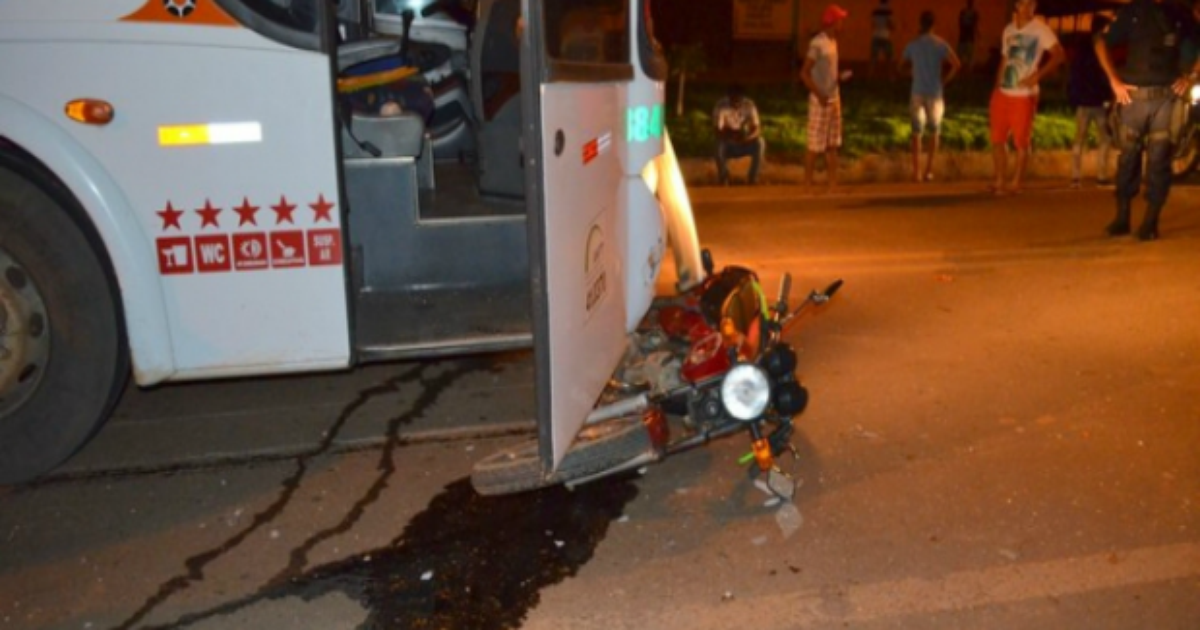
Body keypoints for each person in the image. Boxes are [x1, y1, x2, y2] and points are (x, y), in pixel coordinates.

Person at [1096, 0, 1200, 241]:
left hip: (1166, 98)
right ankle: (1122, 218)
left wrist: (1191, 75)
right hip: (1133, 99)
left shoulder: (1180, 13)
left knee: (1159, 161)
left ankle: (1150, 223)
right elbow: (1100, 41)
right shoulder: (1133, 11)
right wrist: (1114, 80)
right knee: (1128, 159)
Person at [988, 0, 1065, 196]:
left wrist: (1036, 76)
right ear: (1016, 6)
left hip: (1024, 95)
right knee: (997, 139)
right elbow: (1005, 59)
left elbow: (1059, 55)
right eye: (1023, 4)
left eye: (1031, 4)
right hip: (1003, 92)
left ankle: (1016, 182)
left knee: (1021, 142)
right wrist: (997, 86)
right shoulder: (1009, 30)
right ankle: (999, 180)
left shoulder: (1041, 30)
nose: (1027, 8)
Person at [900, 10, 962, 182]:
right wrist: (945, 80)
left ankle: (916, 172)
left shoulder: (913, 44)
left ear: (920, 24)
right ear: (934, 25)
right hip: (935, 92)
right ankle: (929, 170)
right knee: (934, 131)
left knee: (916, 133)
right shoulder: (940, 44)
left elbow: (901, 65)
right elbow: (957, 64)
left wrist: (912, 73)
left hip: (917, 91)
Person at [802, 4, 849, 191]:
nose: (843, 24)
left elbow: (828, 72)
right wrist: (819, 94)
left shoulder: (833, 42)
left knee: (832, 143)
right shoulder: (818, 44)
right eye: (840, 20)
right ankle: (807, 183)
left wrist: (838, 77)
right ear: (833, 22)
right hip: (819, 100)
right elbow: (804, 73)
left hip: (833, 97)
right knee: (814, 145)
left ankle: (832, 183)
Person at [1067, 16, 1113, 188]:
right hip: (1098, 102)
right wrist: (1108, 96)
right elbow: (1104, 76)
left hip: (1084, 101)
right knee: (1105, 138)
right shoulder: (1100, 47)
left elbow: (1074, 76)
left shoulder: (1082, 49)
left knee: (1079, 138)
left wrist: (1074, 98)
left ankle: (1075, 176)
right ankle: (1101, 175)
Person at [712, 85, 766, 185]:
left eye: (738, 99)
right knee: (719, 145)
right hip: (728, 142)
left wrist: (748, 137)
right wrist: (731, 136)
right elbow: (717, 130)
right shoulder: (721, 106)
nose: (736, 101)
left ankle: (753, 177)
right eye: (733, 98)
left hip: (745, 141)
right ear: (729, 97)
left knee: (760, 142)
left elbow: (757, 128)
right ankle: (724, 177)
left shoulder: (749, 105)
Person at [869, 0, 895, 80]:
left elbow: (873, 24)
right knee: (889, 58)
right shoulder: (888, 11)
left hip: (876, 36)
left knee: (873, 58)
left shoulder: (875, 11)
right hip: (885, 36)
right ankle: (891, 76)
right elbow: (890, 23)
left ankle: (870, 76)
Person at [957, 0, 980, 71]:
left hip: (968, 37)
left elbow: (975, 25)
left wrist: (977, 33)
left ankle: (966, 68)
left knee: (968, 54)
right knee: (962, 53)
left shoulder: (974, 13)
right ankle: (962, 67)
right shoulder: (964, 12)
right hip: (964, 37)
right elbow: (960, 23)